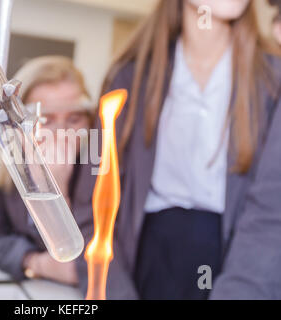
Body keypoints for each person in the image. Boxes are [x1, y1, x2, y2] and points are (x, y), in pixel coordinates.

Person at [73, 0, 281, 299]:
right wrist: (114, 293)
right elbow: (91, 208)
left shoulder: (273, 82)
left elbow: (273, 215)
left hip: (238, 268)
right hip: (145, 269)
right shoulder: (126, 78)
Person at [0, 56, 95, 285]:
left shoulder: (97, 165)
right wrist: (34, 262)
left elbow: (84, 261)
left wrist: (56, 189)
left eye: (74, 119)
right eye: (45, 120)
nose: (60, 133)